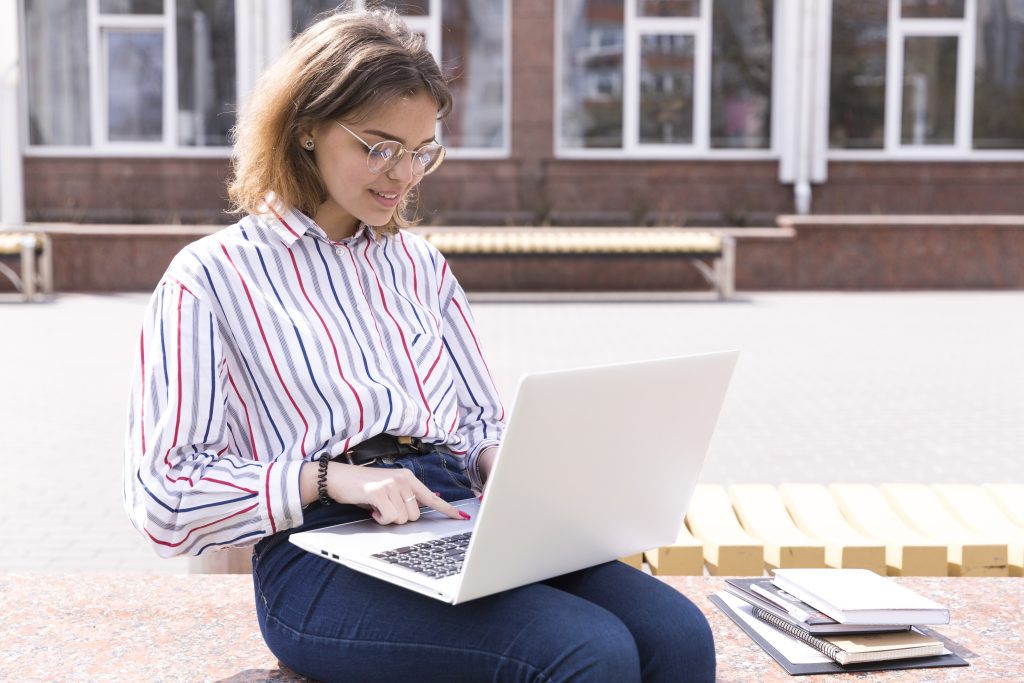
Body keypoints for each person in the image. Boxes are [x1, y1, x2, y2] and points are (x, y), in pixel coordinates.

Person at [123, 7, 715, 682]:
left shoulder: (419, 267)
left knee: (678, 633)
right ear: (306, 129)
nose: (402, 174)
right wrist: (330, 476)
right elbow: (164, 497)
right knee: (586, 649)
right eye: (379, 146)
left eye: (421, 150)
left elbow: (474, 420)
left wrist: (506, 461)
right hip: (318, 551)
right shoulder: (212, 279)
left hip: (457, 518)